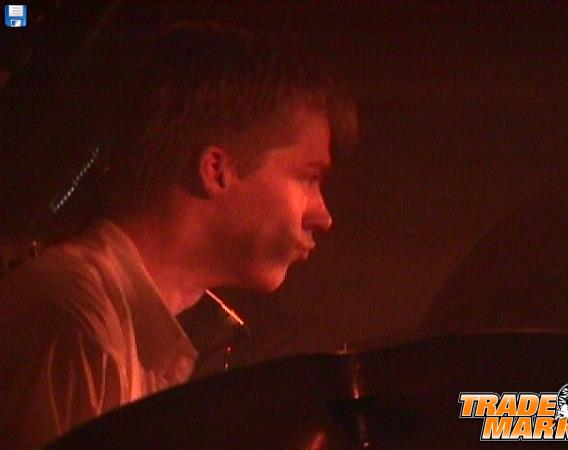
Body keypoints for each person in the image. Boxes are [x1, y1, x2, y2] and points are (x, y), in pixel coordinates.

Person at [0, 23, 358, 448]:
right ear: (216, 170)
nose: (323, 217)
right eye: (308, 178)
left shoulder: (121, 329)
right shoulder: (71, 321)